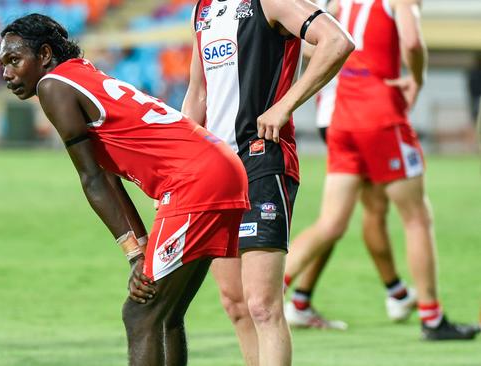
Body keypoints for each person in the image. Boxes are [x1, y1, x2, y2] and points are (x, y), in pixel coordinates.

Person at [0, 13, 251, 365]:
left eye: (14, 60)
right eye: (3, 63)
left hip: (194, 181)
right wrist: (139, 249)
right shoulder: (82, 73)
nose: (7, 73)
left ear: (43, 55)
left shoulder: (52, 85)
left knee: (140, 312)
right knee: (166, 313)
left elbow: (92, 178)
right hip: (221, 167)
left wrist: (136, 255)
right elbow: (108, 175)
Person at [283, 0, 480, 341]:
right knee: (416, 217)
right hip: (380, 115)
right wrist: (415, 79)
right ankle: (431, 318)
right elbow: (413, 42)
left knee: (331, 223)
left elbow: (314, 46)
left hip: (341, 117)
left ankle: (268, 295)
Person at [178, 0, 353, 364]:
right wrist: (179, 165)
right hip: (214, 171)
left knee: (262, 305)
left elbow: (337, 41)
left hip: (262, 161)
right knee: (235, 304)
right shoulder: (204, 8)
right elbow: (197, 92)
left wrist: (285, 104)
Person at [284, 0, 416, 329]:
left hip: (340, 111)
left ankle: (304, 300)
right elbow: (320, 42)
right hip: (348, 111)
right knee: (345, 218)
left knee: (353, 213)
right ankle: (397, 295)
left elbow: (313, 44)